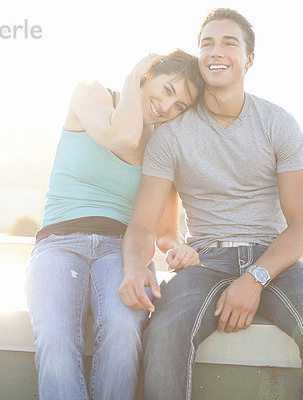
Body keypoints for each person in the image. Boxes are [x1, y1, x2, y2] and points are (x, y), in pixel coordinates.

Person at [119, 9, 303, 400]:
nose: (217, 51)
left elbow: (302, 225)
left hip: (273, 259)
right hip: (205, 260)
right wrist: (142, 262)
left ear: (249, 59)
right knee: (162, 333)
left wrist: (255, 279)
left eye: (230, 43)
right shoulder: (170, 136)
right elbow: (145, 226)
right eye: (207, 43)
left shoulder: (278, 124)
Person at [25, 50, 204, 400]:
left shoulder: (163, 144)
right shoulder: (92, 93)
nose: (167, 107)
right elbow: (123, 137)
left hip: (121, 253)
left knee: (125, 333)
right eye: (167, 90)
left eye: (180, 106)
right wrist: (134, 74)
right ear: (148, 74)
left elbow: (165, 230)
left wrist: (178, 247)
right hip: (59, 244)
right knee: (57, 339)